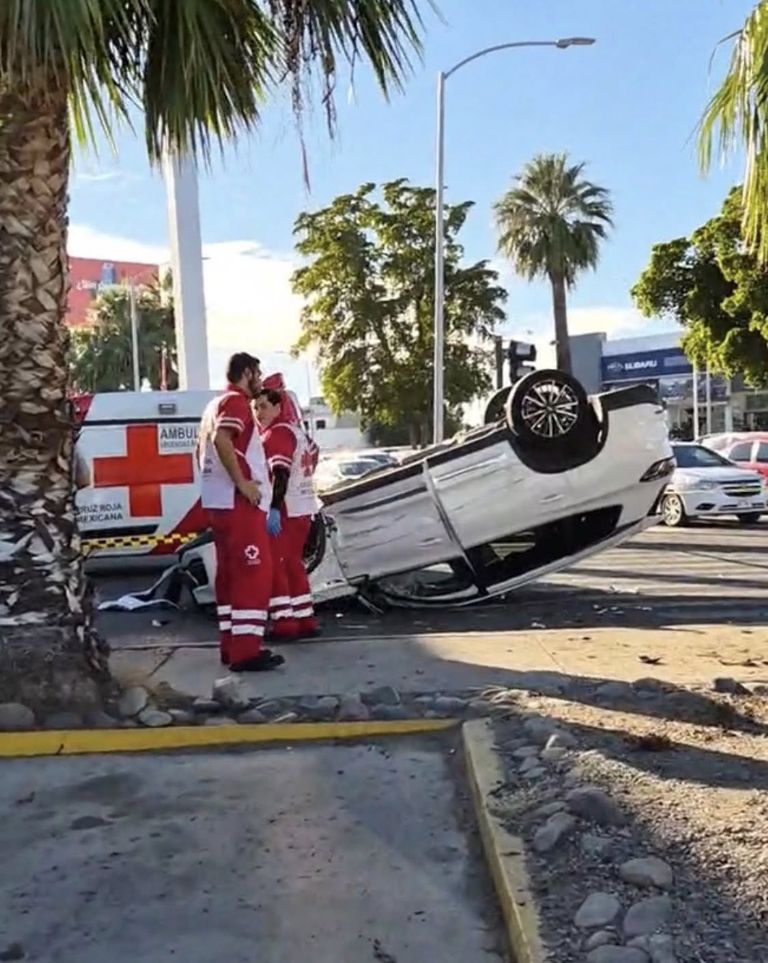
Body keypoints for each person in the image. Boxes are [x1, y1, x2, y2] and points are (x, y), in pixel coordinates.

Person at [197, 352, 284, 672]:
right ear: (247, 372)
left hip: (218, 503)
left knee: (229, 576)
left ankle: (231, 645)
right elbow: (223, 439)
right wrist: (243, 483)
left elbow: (203, 448)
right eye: (257, 374)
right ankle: (246, 650)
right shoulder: (234, 403)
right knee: (254, 574)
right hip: (239, 504)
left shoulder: (211, 407)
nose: (260, 381)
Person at [255, 374, 322, 639]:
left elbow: (280, 474)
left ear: (278, 405)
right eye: (256, 407)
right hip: (304, 506)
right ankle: (305, 619)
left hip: (285, 509)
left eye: (263, 406)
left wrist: (272, 508)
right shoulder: (299, 434)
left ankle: (284, 622)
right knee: (294, 564)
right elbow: (312, 461)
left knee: (276, 565)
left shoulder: (276, 434)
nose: (258, 413)